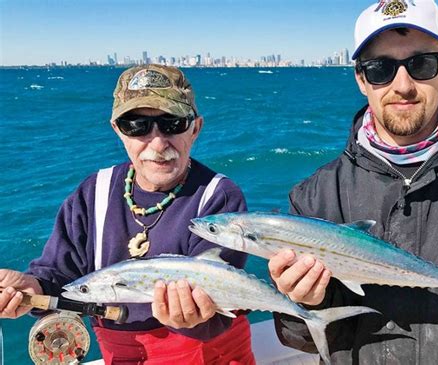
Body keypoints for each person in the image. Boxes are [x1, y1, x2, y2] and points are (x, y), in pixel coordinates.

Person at [0, 65, 255, 364]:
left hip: (212, 355)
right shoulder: (93, 192)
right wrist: (34, 288)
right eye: (136, 125)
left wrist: (195, 315)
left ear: (195, 128)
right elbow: (59, 274)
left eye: (172, 123)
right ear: (117, 130)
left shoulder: (219, 197)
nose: (158, 144)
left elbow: (217, 307)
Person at [269, 0, 438, 364]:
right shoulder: (315, 197)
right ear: (362, 80)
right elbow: (303, 338)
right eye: (381, 70)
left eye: (421, 64)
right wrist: (300, 300)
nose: (403, 85)